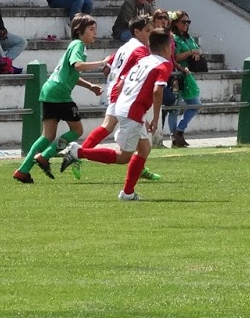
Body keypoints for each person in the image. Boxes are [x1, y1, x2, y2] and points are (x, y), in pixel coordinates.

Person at [61, 29, 176, 202]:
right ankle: (79, 152)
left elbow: (123, 82)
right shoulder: (164, 64)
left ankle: (128, 193)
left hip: (125, 105)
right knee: (123, 157)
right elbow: (157, 91)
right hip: (132, 110)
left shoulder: (144, 60)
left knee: (145, 148)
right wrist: (155, 118)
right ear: (167, 48)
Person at [14, 14, 107, 183]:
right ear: (80, 31)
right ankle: (45, 156)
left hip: (49, 90)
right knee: (77, 131)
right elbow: (77, 66)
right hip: (60, 94)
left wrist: (90, 86)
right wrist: (101, 63)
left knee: (47, 135)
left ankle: (23, 170)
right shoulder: (78, 45)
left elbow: (70, 74)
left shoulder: (74, 46)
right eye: (91, 30)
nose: (95, 33)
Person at [164, 11, 204, 147]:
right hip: (177, 74)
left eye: (188, 22)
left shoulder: (188, 38)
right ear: (175, 23)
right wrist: (191, 52)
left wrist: (197, 53)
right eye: (183, 22)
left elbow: (197, 48)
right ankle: (175, 137)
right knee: (175, 107)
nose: (186, 25)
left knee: (195, 104)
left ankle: (179, 131)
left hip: (187, 75)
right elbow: (174, 57)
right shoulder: (173, 38)